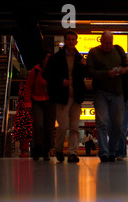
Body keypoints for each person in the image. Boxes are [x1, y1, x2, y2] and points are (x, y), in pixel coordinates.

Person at [43, 30, 87, 163]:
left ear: (76, 41)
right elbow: (46, 75)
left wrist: (85, 67)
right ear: (65, 41)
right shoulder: (56, 58)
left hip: (76, 97)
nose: (71, 42)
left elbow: (84, 75)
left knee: (74, 127)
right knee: (63, 126)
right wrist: (60, 81)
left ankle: (72, 152)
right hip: (62, 97)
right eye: (69, 39)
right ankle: (58, 149)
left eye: (73, 40)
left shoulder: (80, 59)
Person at [87, 30, 128, 162]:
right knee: (102, 122)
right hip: (100, 92)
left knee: (118, 124)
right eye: (105, 43)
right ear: (100, 41)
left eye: (110, 43)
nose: (107, 46)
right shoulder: (93, 52)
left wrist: (124, 70)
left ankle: (112, 151)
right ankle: (104, 152)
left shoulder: (118, 50)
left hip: (117, 92)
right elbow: (90, 71)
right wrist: (107, 74)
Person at [24, 50, 54, 161]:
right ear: (43, 59)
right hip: (37, 100)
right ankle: (37, 147)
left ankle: (46, 149)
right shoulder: (35, 70)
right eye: (48, 58)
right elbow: (28, 87)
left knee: (49, 127)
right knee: (38, 125)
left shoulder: (54, 70)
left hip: (50, 102)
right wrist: (27, 102)